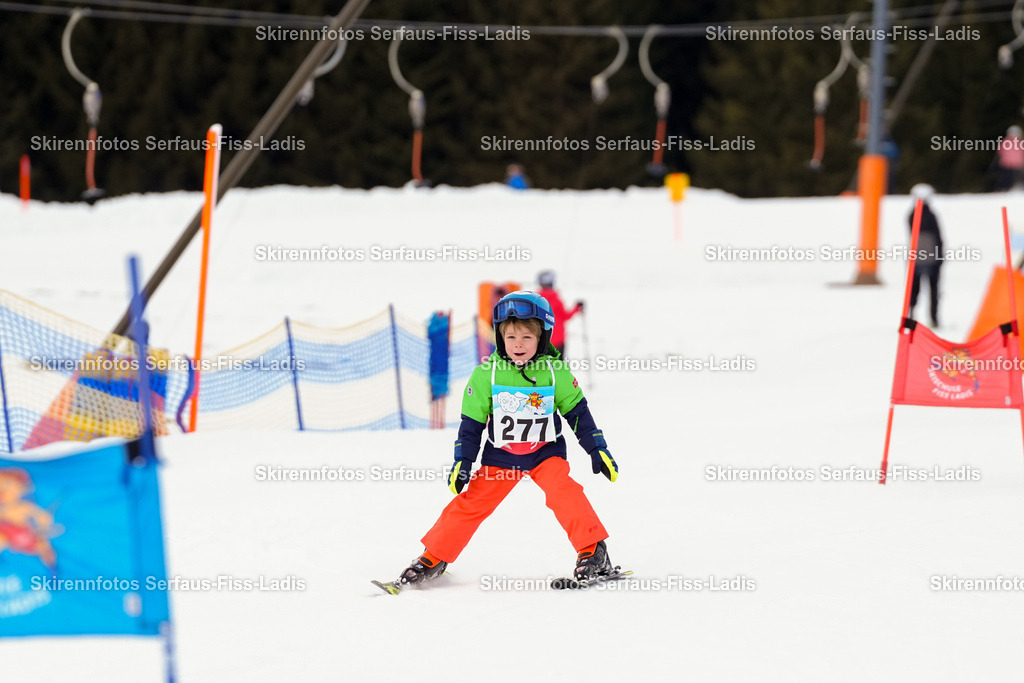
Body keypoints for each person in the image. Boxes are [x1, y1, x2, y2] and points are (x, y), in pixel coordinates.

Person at [391, 290, 619, 588]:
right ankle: (434, 557)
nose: (518, 345)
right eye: (510, 337)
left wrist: (596, 449)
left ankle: (593, 551)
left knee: (564, 492)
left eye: (526, 337)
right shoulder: (486, 374)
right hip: (502, 457)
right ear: (500, 339)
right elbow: (471, 425)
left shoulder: (555, 371)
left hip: (544, 453)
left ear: (542, 337)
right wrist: (463, 461)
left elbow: (578, 414)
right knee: (470, 504)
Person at [907, 183, 944, 328]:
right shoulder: (924, 215)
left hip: (919, 258)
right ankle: (927, 318)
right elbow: (938, 238)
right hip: (927, 258)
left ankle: (921, 318)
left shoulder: (913, 215)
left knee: (918, 291)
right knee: (925, 290)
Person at [537, 270, 583, 358]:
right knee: (559, 366)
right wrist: (577, 308)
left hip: (541, 339)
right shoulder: (556, 299)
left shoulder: (536, 299)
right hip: (558, 339)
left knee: (542, 367)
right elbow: (565, 316)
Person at [996, 126, 1024, 191]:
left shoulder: (1020, 142)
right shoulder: (1006, 141)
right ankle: (1004, 188)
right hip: (1007, 164)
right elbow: (1000, 151)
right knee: (1007, 177)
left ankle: (1018, 189)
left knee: (1019, 177)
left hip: (1018, 164)